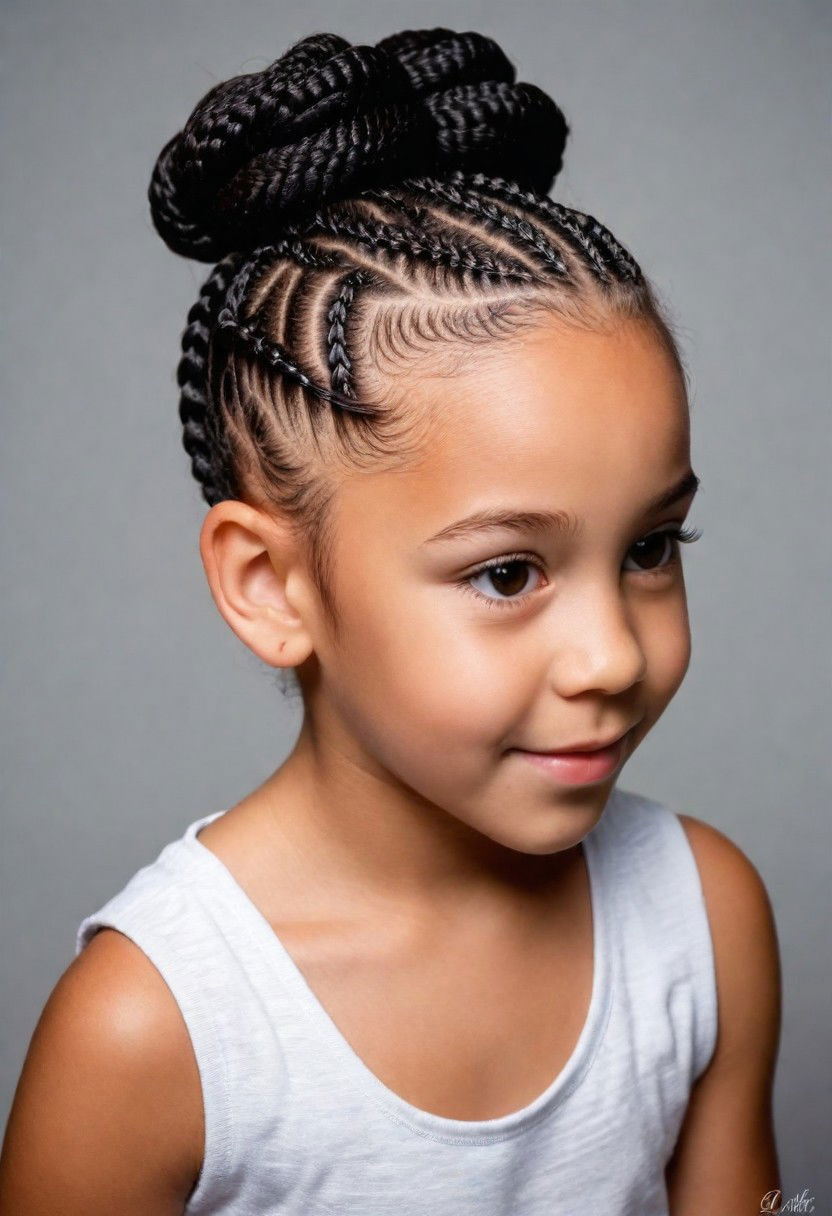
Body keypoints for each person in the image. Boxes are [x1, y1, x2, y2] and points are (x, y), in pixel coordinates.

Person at [0, 26, 782, 1215]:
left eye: (649, 549)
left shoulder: (703, 921)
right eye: (508, 574)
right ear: (273, 586)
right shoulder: (153, 1035)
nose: (614, 655)